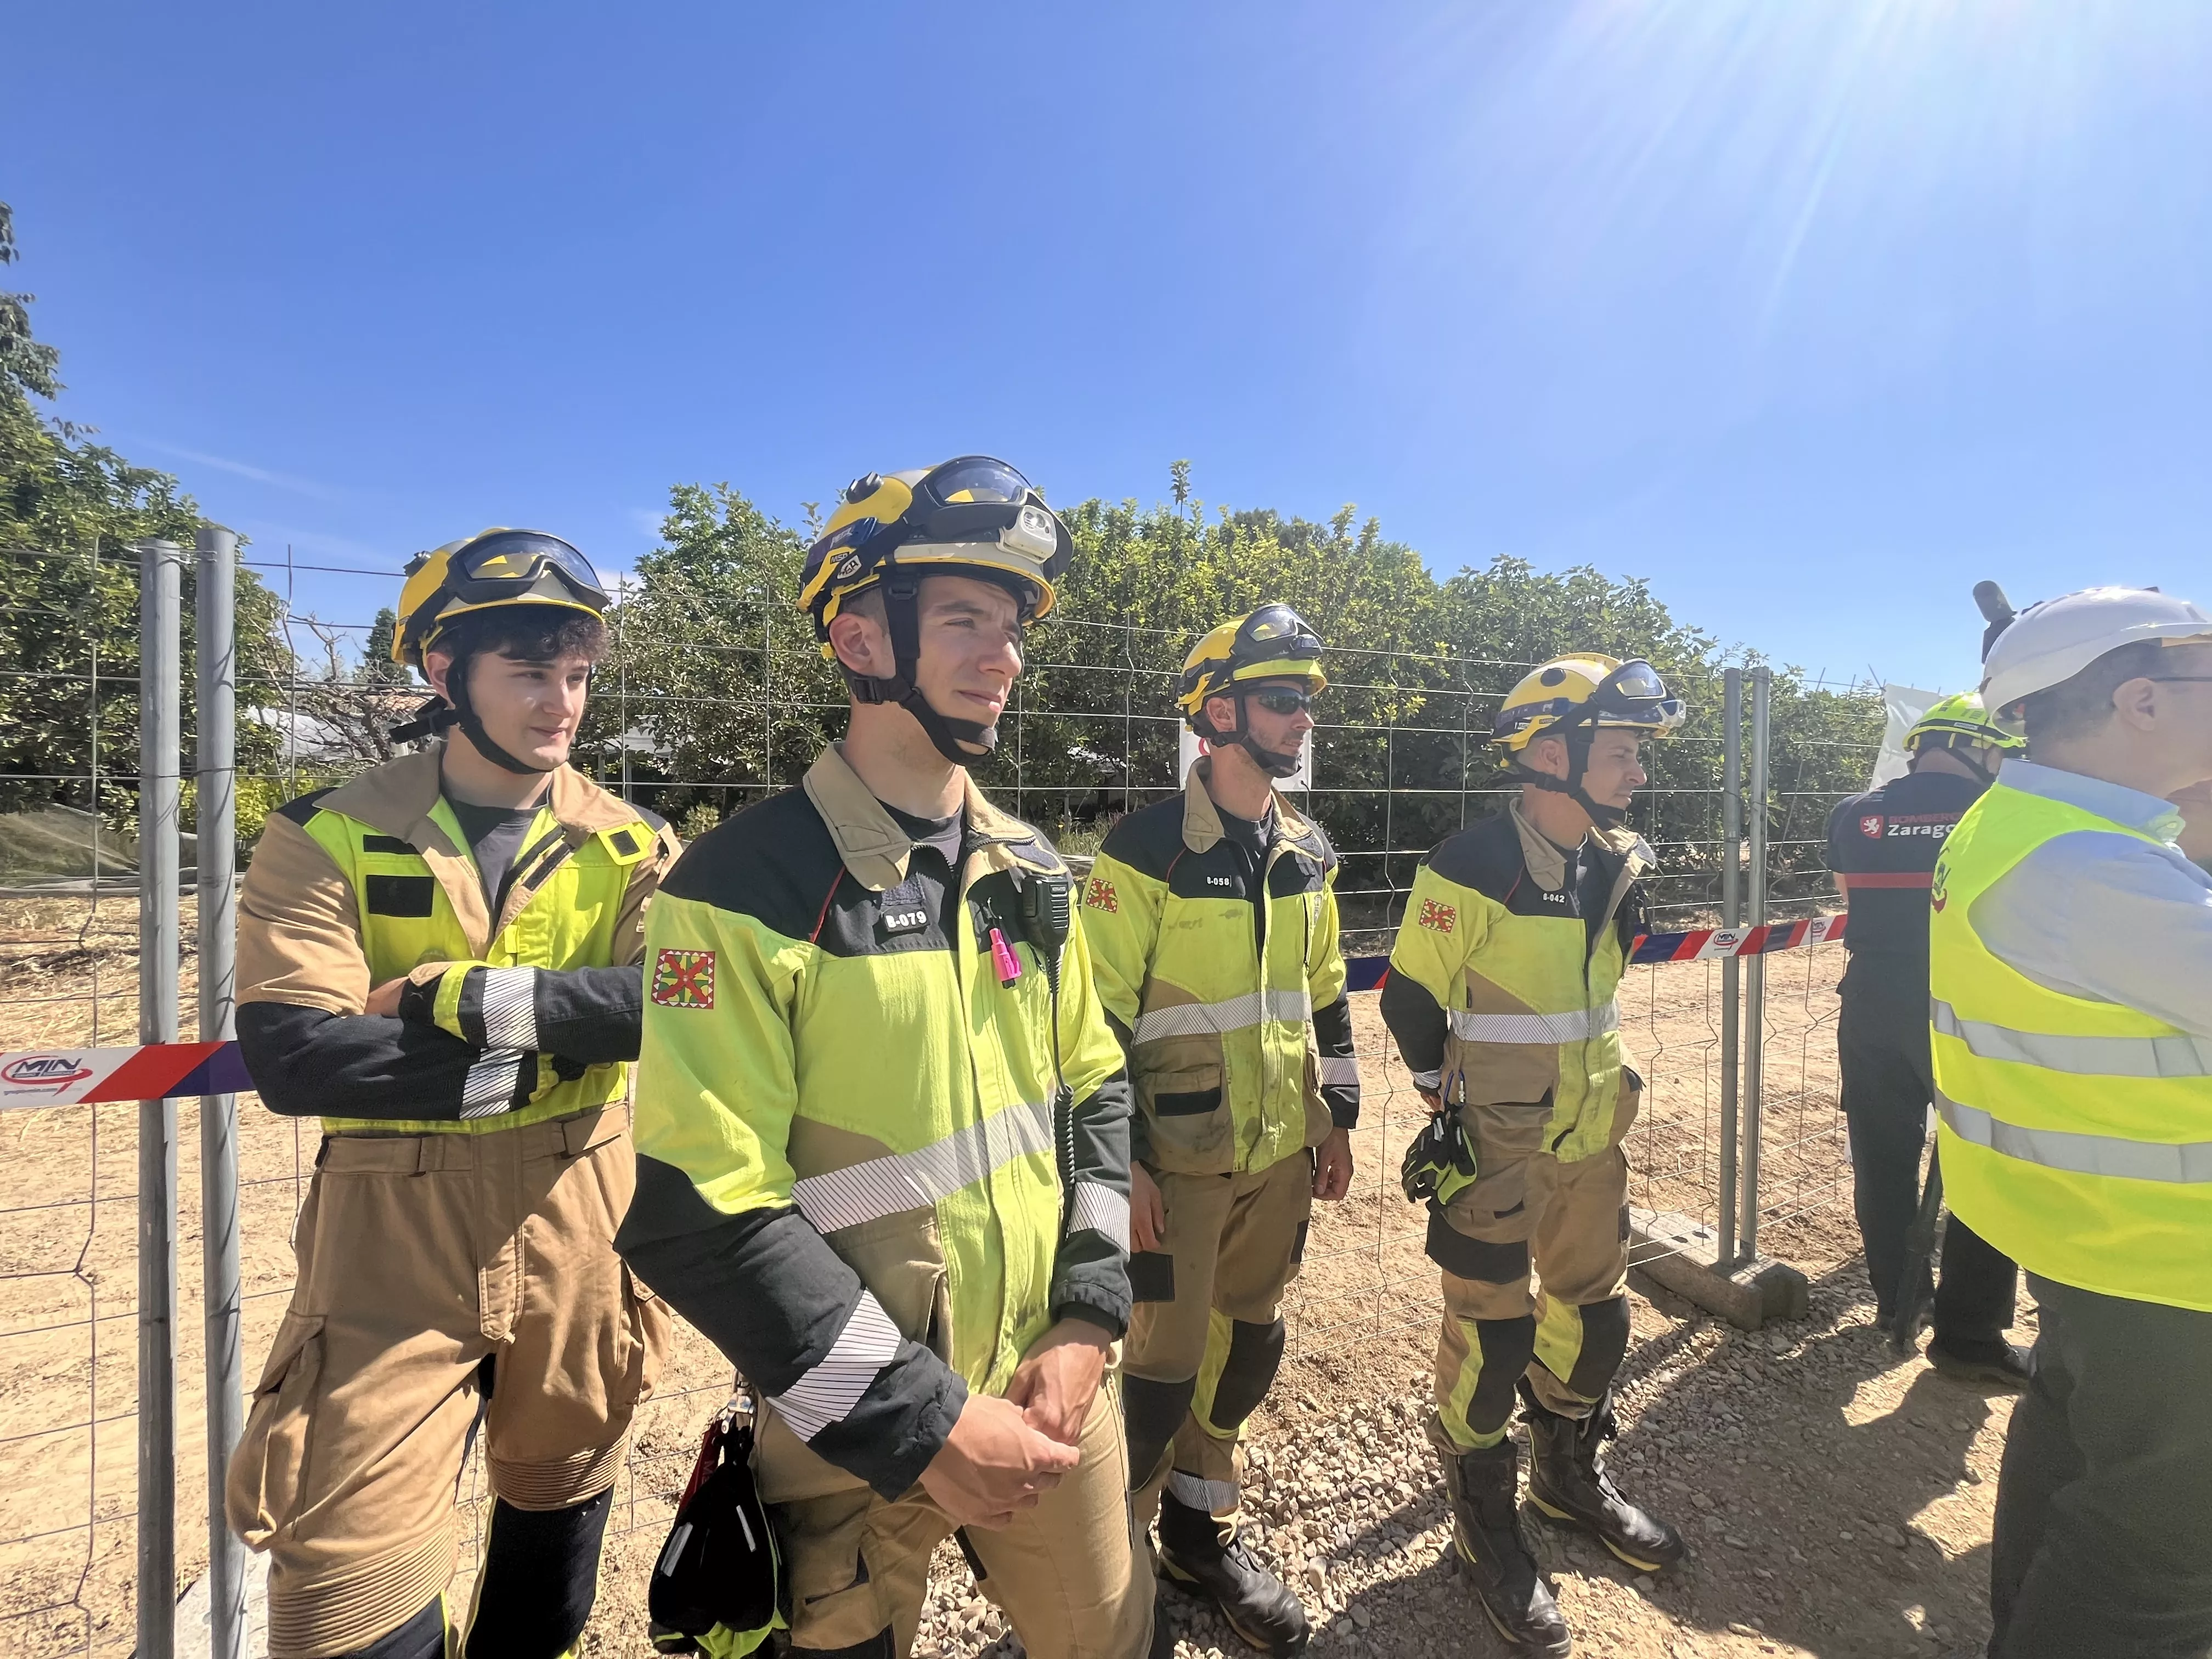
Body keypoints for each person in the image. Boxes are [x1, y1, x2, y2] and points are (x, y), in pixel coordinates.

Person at [615, 458, 1158, 1659]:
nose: (1005, 654)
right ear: (861, 639)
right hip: (846, 1429)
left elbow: (1095, 1096)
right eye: (966, 618)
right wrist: (925, 1425)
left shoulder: (1034, 873)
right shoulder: (742, 887)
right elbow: (699, 1212)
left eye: (1013, 625)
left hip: (1049, 1383)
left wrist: (1087, 1318)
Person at [227, 530, 680, 1659]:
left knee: (552, 1570)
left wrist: (455, 1003)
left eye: (576, 675)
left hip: (583, 1216)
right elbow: (295, 1058)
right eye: (530, 671)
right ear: (443, 671)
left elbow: (669, 1011)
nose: (561, 703)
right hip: (388, 1234)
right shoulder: (325, 832)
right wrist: (567, 1033)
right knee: (349, 1610)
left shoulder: (635, 843)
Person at [1380, 653, 1687, 1657]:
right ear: (1550, 754)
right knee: (1492, 1337)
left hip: (1591, 1139)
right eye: (1621, 750)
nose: (1637, 770)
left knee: (1596, 1321)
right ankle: (1482, 1524)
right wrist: (1445, 1098)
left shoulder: (1612, 860)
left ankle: (1564, 1475)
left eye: (1639, 752)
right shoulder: (1471, 862)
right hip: (1497, 1150)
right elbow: (1407, 995)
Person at [1929, 585, 2212, 1659]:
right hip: (2174, 1263)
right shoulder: (2097, 871)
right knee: (2161, 1563)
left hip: (2091, 1238)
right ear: (2141, 701)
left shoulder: (2022, 827)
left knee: (2072, 1438)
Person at [1080, 604, 1359, 1655]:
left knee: (1247, 1344)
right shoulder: (1140, 851)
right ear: (1219, 709)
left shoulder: (1305, 850)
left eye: (1307, 703)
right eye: (1283, 699)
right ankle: (1116, 1570)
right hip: (1176, 1168)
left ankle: (1199, 1532)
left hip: (1280, 1155)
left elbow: (1325, 994)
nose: (1302, 721)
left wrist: (1339, 1114)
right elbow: (1090, 1024)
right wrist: (1125, 1163)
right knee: (1155, 1367)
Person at [1824, 693, 2030, 1386]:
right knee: (1982, 1163)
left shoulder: (1854, 815)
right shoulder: (1999, 815)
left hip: (1872, 998)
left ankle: (1898, 1303)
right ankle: (1969, 1336)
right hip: (1963, 1002)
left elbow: (1853, 901)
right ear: (1980, 747)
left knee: (1880, 1157)